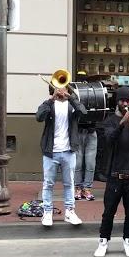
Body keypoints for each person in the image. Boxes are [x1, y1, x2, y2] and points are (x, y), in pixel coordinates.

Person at [94, 86, 129, 257]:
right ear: (117, 102)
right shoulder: (110, 121)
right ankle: (103, 242)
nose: (126, 103)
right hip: (115, 175)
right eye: (123, 100)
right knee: (109, 212)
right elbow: (109, 141)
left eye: (128, 101)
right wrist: (122, 124)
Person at [35, 84, 87, 227]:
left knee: (69, 183)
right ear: (53, 89)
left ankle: (70, 212)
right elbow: (39, 117)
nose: (61, 90)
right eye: (59, 87)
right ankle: (47, 212)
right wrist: (51, 99)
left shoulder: (72, 105)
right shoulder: (49, 104)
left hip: (68, 151)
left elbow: (83, 112)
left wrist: (71, 98)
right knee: (48, 183)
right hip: (50, 151)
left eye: (64, 87)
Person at [74, 119, 97, 201]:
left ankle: (87, 188)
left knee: (90, 163)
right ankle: (78, 188)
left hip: (91, 131)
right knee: (77, 163)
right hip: (77, 131)